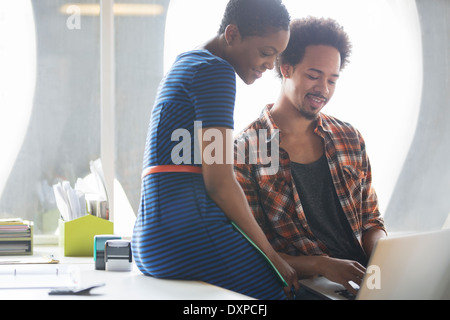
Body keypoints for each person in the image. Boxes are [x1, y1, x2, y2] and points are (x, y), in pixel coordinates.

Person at [132, 0, 299, 300]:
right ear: (232, 34)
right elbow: (220, 183)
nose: (270, 66)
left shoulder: (186, 63)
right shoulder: (216, 72)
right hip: (187, 233)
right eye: (265, 53)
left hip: (151, 239)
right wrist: (274, 257)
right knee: (282, 293)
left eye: (276, 56)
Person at [234, 17, 387, 296]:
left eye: (332, 79)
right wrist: (323, 265)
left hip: (367, 281)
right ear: (286, 69)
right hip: (308, 285)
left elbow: (370, 222)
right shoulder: (245, 151)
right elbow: (254, 250)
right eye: (314, 76)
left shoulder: (349, 138)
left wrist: (385, 257)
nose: (324, 90)